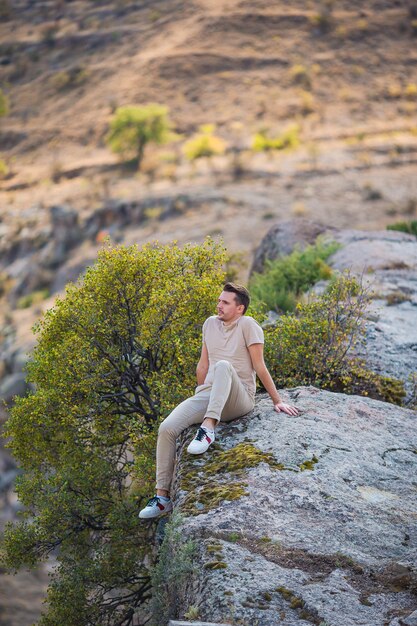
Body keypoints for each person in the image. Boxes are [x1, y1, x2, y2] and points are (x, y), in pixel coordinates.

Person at [138, 282, 298, 519]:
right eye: (219, 301)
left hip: (239, 397)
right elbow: (203, 364)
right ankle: (162, 498)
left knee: (224, 365)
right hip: (210, 392)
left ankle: (208, 428)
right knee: (167, 428)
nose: (219, 305)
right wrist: (198, 395)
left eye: (225, 302)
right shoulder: (209, 324)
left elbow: (259, 366)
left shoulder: (248, 325)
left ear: (240, 308)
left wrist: (277, 400)